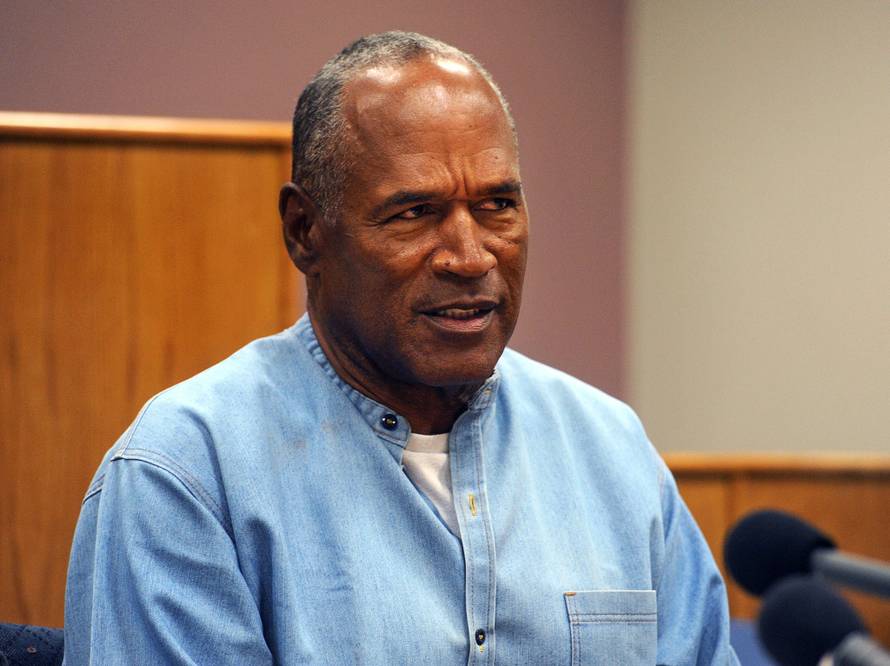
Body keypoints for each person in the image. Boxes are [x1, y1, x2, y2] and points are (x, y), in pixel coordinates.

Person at [64, 31, 739, 664]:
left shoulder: (611, 451)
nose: (470, 256)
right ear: (305, 232)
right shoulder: (186, 473)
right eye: (415, 212)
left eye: (497, 205)